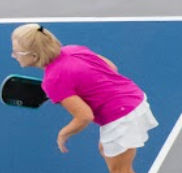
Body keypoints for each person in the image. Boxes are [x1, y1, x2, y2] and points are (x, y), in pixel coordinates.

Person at [11, 24, 159, 173]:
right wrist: (84, 87)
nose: (13, 55)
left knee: (120, 170)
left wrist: (64, 133)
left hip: (122, 116)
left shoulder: (53, 80)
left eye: (16, 52)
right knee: (107, 151)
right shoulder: (73, 50)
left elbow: (84, 116)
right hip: (134, 97)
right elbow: (111, 67)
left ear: (34, 56)